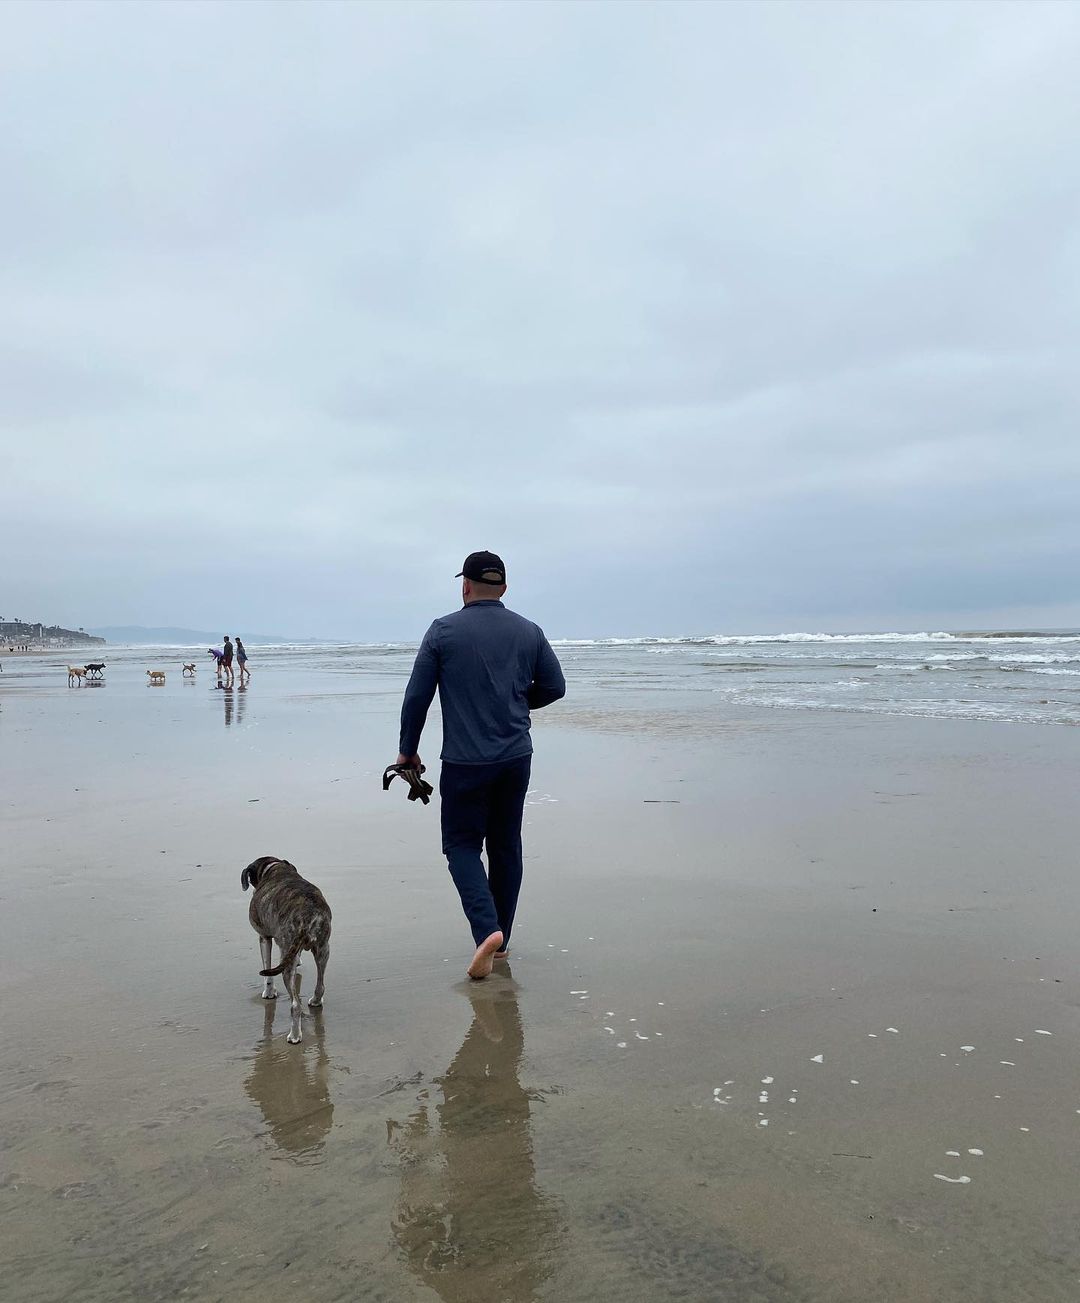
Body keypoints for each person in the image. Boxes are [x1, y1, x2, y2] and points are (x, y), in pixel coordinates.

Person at [394, 551, 566, 979]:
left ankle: (487, 930)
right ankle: (501, 940)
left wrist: (407, 751)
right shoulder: (529, 631)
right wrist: (516, 702)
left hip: (465, 762)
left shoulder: (443, 631)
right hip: (515, 757)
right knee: (506, 844)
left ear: (465, 586)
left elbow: (418, 696)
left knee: (462, 845)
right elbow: (555, 687)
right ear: (503, 589)